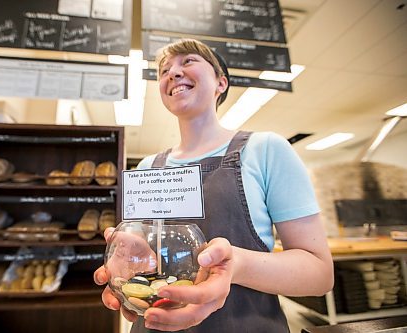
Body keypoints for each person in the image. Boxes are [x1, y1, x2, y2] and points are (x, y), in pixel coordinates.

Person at [94, 38, 334, 332]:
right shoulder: (146, 168)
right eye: (164, 70)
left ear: (221, 83)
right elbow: (144, 259)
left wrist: (236, 264)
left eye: (189, 61)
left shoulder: (266, 149)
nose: (173, 73)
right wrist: (127, 265)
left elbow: (319, 274)